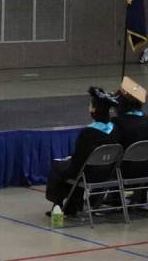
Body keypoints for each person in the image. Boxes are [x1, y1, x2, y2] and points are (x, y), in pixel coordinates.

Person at [45, 87, 122, 215]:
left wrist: (68, 161)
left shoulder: (88, 132)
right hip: (109, 171)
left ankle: (59, 205)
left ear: (93, 109)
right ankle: (72, 205)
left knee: (59, 166)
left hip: (88, 173)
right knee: (74, 168)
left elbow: (79, 161)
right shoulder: (116, 129)